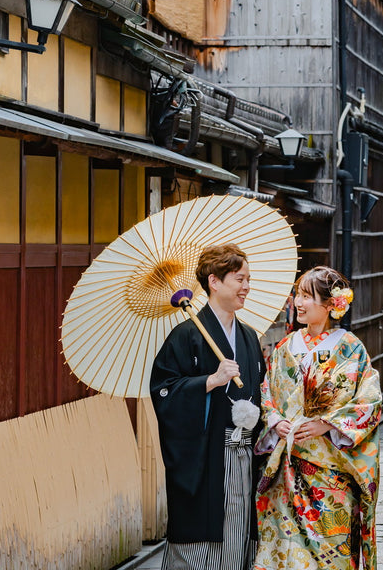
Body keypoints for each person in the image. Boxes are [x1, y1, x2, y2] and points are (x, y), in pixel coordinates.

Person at [254, 266, 382, 570]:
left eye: (308, 296)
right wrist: (275, 422)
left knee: (332, 553)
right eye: (298, 294)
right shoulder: (285, 348)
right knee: (285, 552)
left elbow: (369, 400)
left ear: (330, 305)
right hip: (287, 467)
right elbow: (267, 393)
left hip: (330, 471)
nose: (299, 302)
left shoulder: (350, 348)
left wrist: (326, 423)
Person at [150, 244, 266, 570]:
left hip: (243, 454)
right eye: (239, 279)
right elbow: (163, 391)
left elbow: (264, 390)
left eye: (248, 279)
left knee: (239, 537)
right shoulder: (186, 336)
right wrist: (209, 381)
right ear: (214, 282)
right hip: (205, 459)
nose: (246, 287)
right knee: (202, 547)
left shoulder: (247, 337)